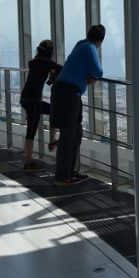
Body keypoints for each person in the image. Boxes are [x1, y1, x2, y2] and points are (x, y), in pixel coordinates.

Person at [52, 25, 105, 183]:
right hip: (69, 95)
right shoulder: (90, 47)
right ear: (101, 40)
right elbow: (98, 71)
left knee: (75, 134)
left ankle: (70, 171)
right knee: (69, 136)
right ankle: (63, 176)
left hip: (65, 92)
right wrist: (92, 77)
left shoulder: (81, 44)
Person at [19, 40, 61, 170]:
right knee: (55, 111)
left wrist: (51, 73)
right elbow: (62, 69)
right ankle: (52, 141)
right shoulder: (48, 63)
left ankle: (28, 160)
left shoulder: (34, 62)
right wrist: (53, 74)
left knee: (31, 129)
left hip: (26, 98)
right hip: (34, 100)